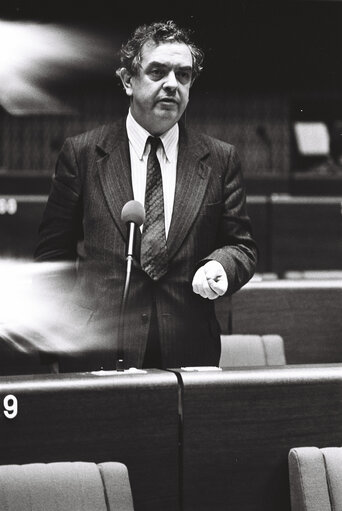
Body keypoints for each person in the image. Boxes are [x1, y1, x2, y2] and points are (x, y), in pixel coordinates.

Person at [34, 20, 258, 370]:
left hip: (188, 351)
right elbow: (52, 256)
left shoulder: (219, 158)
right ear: (127, 80)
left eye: (183, 76)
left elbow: (241, 246)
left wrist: (221, 266)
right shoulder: (82, 153)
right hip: (96, 350)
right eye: (158, 72)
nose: (172, 84)